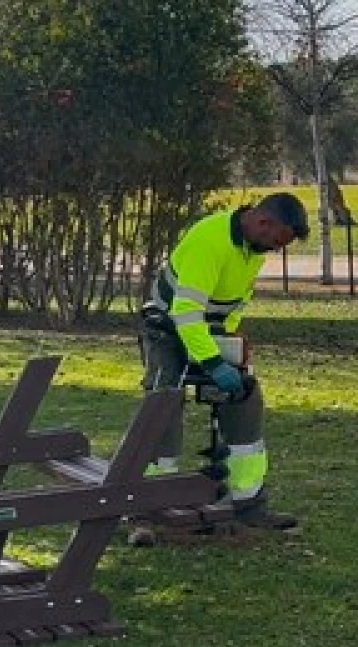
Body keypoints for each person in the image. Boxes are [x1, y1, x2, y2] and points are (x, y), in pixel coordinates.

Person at [132, 192, 309, 545]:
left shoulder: (252, 248)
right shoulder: (209, 240)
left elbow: (235, 301)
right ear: (263, 222)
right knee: (164, 402)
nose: (276, 250)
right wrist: (212, 363)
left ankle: (248, 503)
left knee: (245, 396)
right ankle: (147, 510)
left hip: (210, 329)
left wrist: (231, 346)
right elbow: (184, 312)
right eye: (277, 242)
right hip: (167, 328)